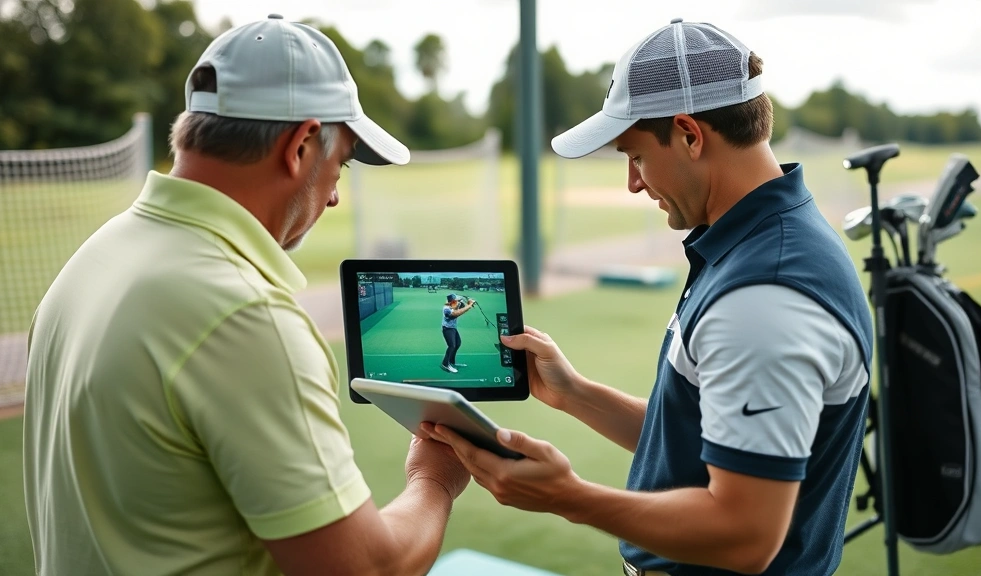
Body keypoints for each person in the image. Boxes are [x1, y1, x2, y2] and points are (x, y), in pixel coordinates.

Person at [23, 15, 469, 576]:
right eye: (342, 164)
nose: (334, 196)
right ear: (302, 144)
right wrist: (435, 479)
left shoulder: (92, 258)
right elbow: (366, 569)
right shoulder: (247, 316)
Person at [426, 18, 874, 576]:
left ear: (690, 134)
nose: (633, 184)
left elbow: (745, 535)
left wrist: (568, 496)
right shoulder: (762, 242)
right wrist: (577, 394)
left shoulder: (766, 293)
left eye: (635, 156)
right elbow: (710, 441)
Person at [441, 293, 475, 373]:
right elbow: (456, 314)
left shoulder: (454, 305)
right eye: (456, 301)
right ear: (451, 302)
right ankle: (445, 364)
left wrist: (468, 302)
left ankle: (451, 362)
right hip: (447, 329)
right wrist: (469, 306)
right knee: (452, 346)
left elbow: (462, 307)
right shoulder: (446, 309)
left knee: (458, 344)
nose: (457, 302)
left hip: (453, 328)